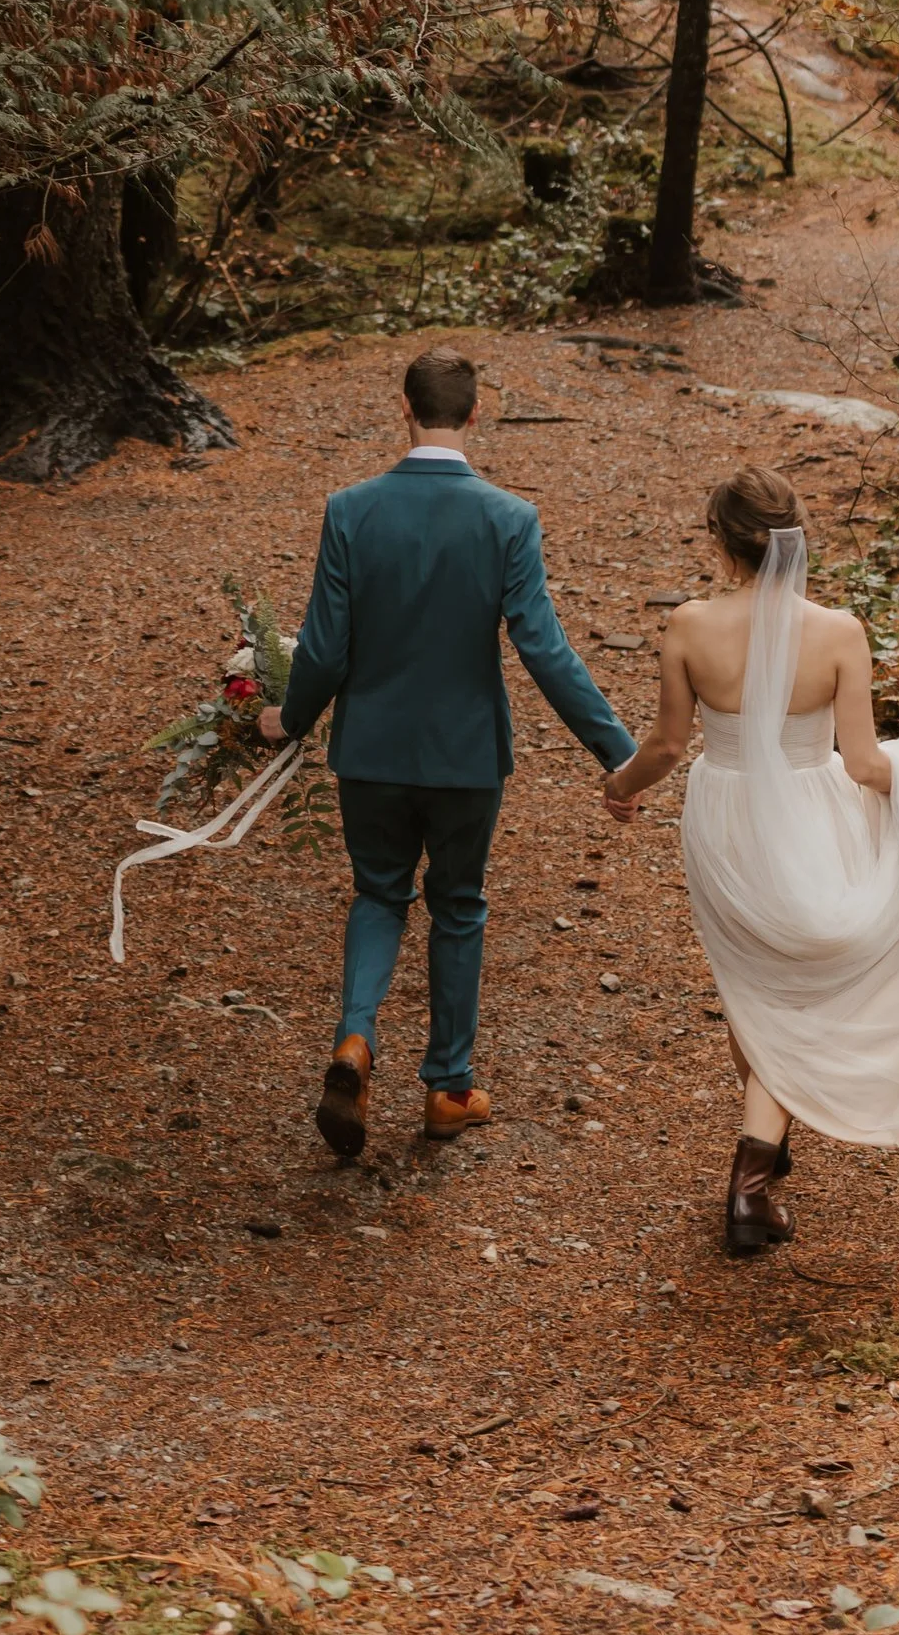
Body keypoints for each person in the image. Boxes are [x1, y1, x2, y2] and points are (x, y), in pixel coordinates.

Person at [600, 464, 899, 1254]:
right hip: (814, 811)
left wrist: (621, 788)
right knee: (787, 987)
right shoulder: (840, 632)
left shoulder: (688, 625)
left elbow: (667, 746)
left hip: (724, 822)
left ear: (725, 543)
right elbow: (862, 764)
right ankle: (755, 1174)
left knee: (752, 983)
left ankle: (760, 1157)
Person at [258, 342, 637, 1159]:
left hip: (371, 751)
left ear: (404, 408)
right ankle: (447, 1089)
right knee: (457, 906)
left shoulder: (351, 510)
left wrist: (288, 720)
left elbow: (324, 648)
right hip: (466, 759)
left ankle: (354, 1042)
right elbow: (544, 650)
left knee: (378, 896)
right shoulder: (509, 519)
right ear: (474, 413)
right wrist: (617, 752)